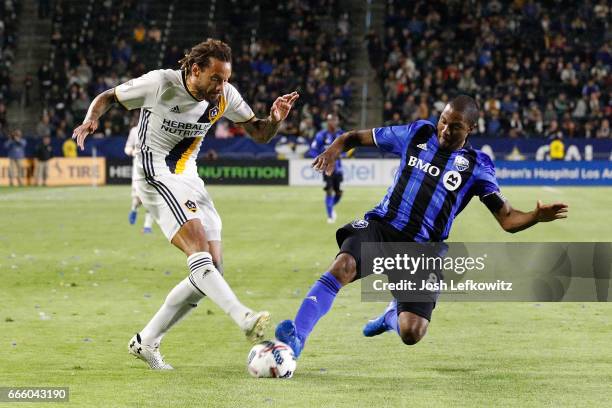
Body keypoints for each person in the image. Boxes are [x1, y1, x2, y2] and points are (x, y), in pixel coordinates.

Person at [275, 95, 568, 364]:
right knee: (343, 266)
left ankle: (392, 315)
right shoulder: (417, 133)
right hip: (383, 226)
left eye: (455, 127)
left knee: (411, 332)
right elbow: (355, 137)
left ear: (470, 129)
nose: (444, 130)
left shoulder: (477, 166)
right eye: (443, 120)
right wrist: (335, 147)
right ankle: (296, 339)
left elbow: (507, 219)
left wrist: (534, 216)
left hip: (423, 249)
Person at [72, 39, 299, 370]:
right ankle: (244, 317)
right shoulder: (161, 83)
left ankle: (147, 340)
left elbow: (260, 133)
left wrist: (275, 119)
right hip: (154, 170)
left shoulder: (225, 97)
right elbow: (108, 97)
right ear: (195, 70)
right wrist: (92, 119)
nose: (221, 87)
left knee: (212, 270)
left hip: (188, 177)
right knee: (198, 251)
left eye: (225, 79)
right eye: (216, 79)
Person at [309, 113, 344, 223]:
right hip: (326, 168)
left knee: (339, 193)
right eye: (331, 120)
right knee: (329, 191)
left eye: (335, 120)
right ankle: (330, 216)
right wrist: (320, 158)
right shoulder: (321, 135)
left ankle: (330, 207)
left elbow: (348, 149)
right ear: (327, 122)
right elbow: (313, 150)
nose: (333, 122)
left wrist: (342, 155)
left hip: (338, 168)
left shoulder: (341, 134)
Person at [124, 124, 154, 233]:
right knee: (138, 198)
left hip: (153, 167)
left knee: (151, 197)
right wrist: (132, 152)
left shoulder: (156, 128)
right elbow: (127, 148)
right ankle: (134, 208)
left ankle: (147, 227)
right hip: (138, 168)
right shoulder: (134, 131)